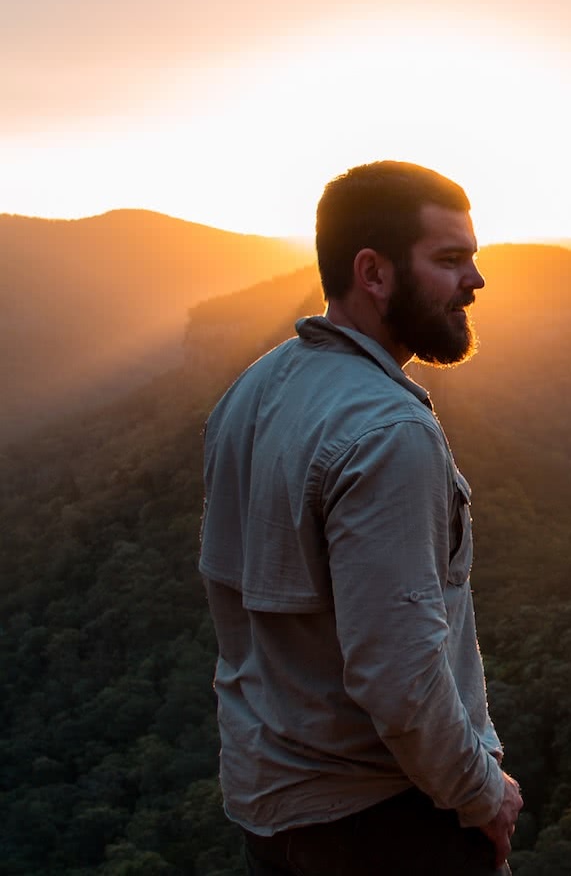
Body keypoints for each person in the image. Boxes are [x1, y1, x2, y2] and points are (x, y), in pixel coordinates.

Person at [199, 161, 523, 875]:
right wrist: (481, 793)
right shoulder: (388, 432)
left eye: (474, 258)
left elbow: (227, 600)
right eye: (450, 260)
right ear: (373, 273)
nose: (476, 281)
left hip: (277, 817)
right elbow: (400, 676)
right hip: (387, 827)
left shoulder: (251, 393)